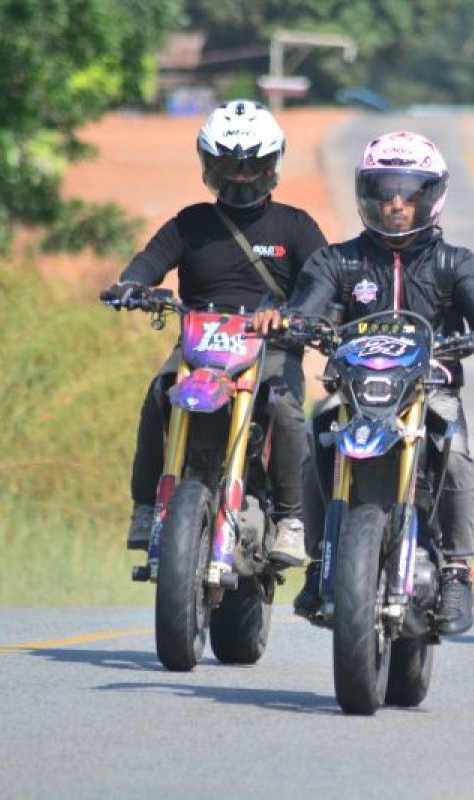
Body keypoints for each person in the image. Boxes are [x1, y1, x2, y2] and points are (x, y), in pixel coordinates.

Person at [252, 130, 474, 635]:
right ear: (367, 194)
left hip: (430, 392)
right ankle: (321, 563)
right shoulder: (337, 260)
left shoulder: (455, 262)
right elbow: (306, 305)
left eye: (409, 193)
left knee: (460, 456)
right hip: (356, 395)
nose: (396, 204)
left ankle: (456, 571)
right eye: (384, 191)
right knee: (316, 444)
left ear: (431, 197)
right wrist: (288, 320)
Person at [101, 100, 326, 566]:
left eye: (252, 166)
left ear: (273, 164)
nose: (239, 178)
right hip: (199, 346)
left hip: (271, 349)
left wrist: (295, 315)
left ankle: (291, 520)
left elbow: (325, 285)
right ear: (206, 163)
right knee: (159, 393)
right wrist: (132, 286)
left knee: (286, 410)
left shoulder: (296, 225)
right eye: (226, 165)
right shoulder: (190, 223)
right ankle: (145, 506)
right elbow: (148, 261)